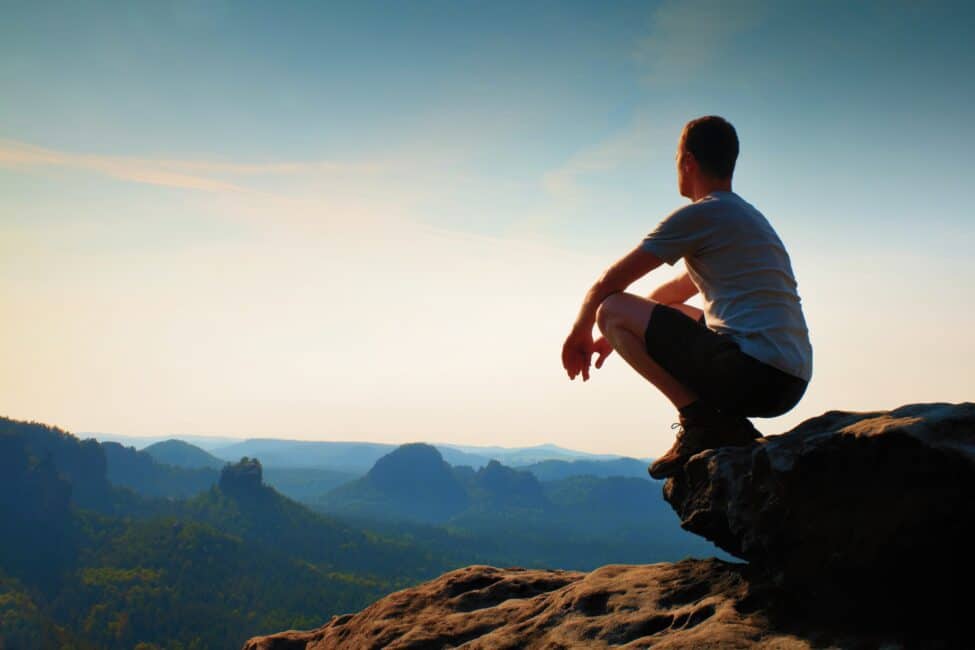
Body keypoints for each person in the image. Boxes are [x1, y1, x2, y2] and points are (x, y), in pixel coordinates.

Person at [560, 115, 812, 479]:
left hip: (753, 375)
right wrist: (612, 339)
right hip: (789, 382)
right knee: (659, 309)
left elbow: (610, 283)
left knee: (610, 308)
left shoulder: (701, 214)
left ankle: (700, 421)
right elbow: (674, 293)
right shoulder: (744, 217)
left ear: (688, 161)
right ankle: (719, 422)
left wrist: (583, 329)